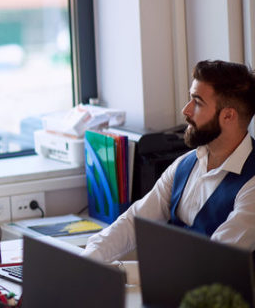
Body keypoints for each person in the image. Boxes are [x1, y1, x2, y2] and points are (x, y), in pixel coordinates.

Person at [83, 59, 255, 267]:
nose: (186, 110)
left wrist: (121, 271)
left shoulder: (252, 184)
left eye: (197, 102)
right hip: (175, 290)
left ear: (228, 115)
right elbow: (133, 223)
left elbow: (211, 263)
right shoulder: (185, 164)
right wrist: (87, 261)